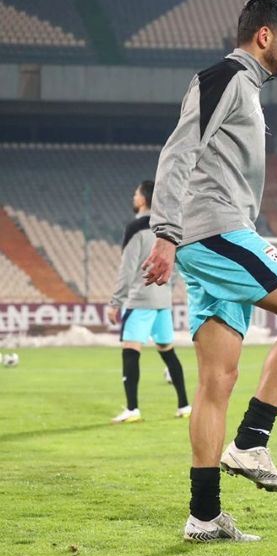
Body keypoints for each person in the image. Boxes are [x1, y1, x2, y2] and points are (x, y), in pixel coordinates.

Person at [143, 0, 277, 543]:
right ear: (264, 36)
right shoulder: (224, 77)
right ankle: (252, 440)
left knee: (216, 382)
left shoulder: (246, 88)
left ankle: (204, 516)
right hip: (216, 230)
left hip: (210, 234)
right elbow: (178, 152)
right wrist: (165, 233)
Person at [106, 179, 190, 424]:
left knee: (130, 351)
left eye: (136, 194)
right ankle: (184, 405)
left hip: (141, 300)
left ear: (143, 199)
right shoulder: (168, 228)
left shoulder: (135, 228)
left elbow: (127, 268)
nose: (134, 197)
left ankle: (132, 409)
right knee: (167, 351)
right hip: (163, 301)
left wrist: (115, 302)